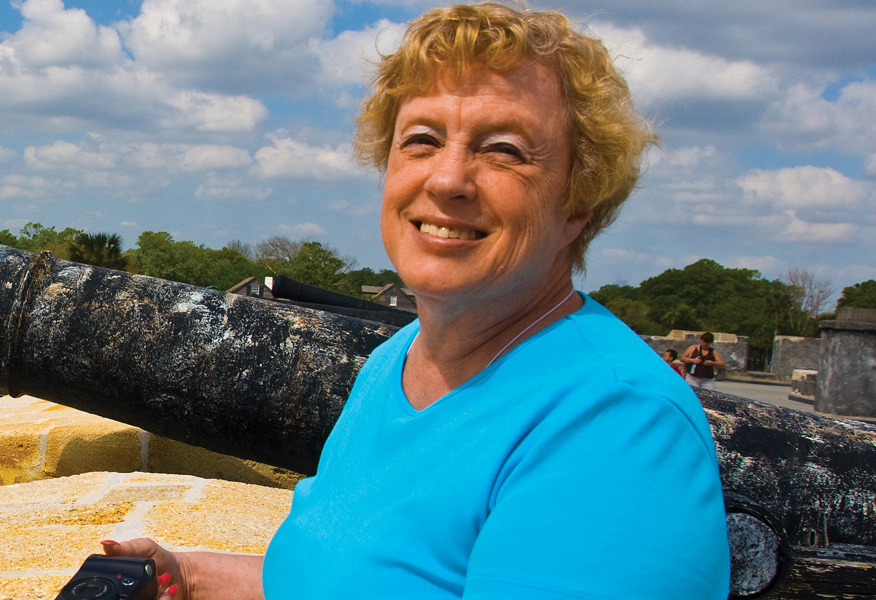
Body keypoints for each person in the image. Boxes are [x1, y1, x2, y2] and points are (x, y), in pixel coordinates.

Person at [101, 5, 728, 599]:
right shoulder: (397, 363)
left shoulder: (615, 427)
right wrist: (190, 574)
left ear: (578, 204)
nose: (448, 179)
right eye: (423, 140)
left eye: (503, 149)